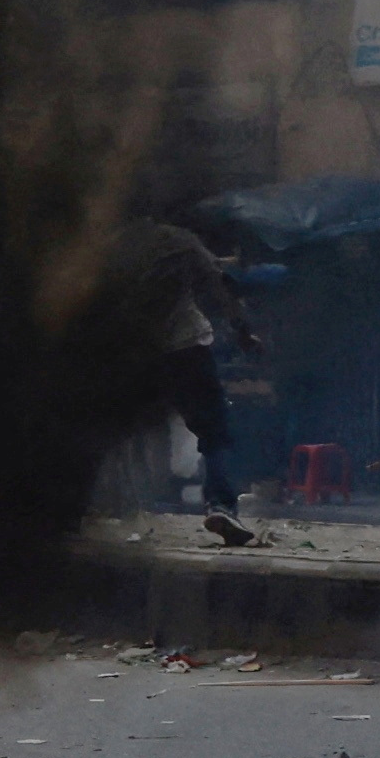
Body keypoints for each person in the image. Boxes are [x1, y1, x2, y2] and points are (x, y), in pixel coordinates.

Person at [126, 219, 260, 545]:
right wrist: (244, 333)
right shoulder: (179, 240)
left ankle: (121, 508)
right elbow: (219, 285)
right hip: (185, 348)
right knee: (214, 432)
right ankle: (221, 505)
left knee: (123, 431)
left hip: (134, 351)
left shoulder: (115, 245)